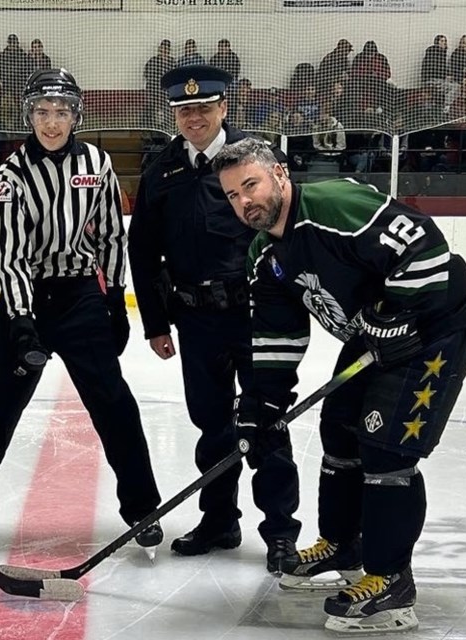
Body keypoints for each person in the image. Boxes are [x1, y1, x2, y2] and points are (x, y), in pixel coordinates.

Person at [212, 137, 466, 634]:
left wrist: (396, 312)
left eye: (250, 184)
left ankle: (391, 581)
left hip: (436, 326)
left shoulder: (334, 206)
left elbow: (425, 246)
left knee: (387, 450)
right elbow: (277, 335)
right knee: (339, 430)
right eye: (232, 195)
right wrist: (261, 404)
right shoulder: (265, 255)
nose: (244, 201)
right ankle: (344, 544)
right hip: (373, 336)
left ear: (278, 173)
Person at [0, 68, 163, 553]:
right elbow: (13, 254)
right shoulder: (12, 174)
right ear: (29, 115)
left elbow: (109, 235)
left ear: (75, 116)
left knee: (113, 402)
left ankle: (143, 507)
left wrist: (114, 299)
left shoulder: (97, 163)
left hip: (82, 296)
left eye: (61, 112)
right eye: (42, 111)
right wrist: (22, 321)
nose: (51, 121)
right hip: (28, 301)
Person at [127, 64, 301, 571]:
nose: (194, 117)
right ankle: (219, 519)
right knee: (211, 425)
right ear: (173, 114)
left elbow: (292, 231)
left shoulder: (259, 158)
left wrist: (292, 305)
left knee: (266, 422)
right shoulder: (162, 169)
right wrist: (156, 323)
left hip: (255, 315)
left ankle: (281, 533)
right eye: (184, 109)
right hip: (195, 320)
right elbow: (143, 252)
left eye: (204, 107)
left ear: (225, 107)